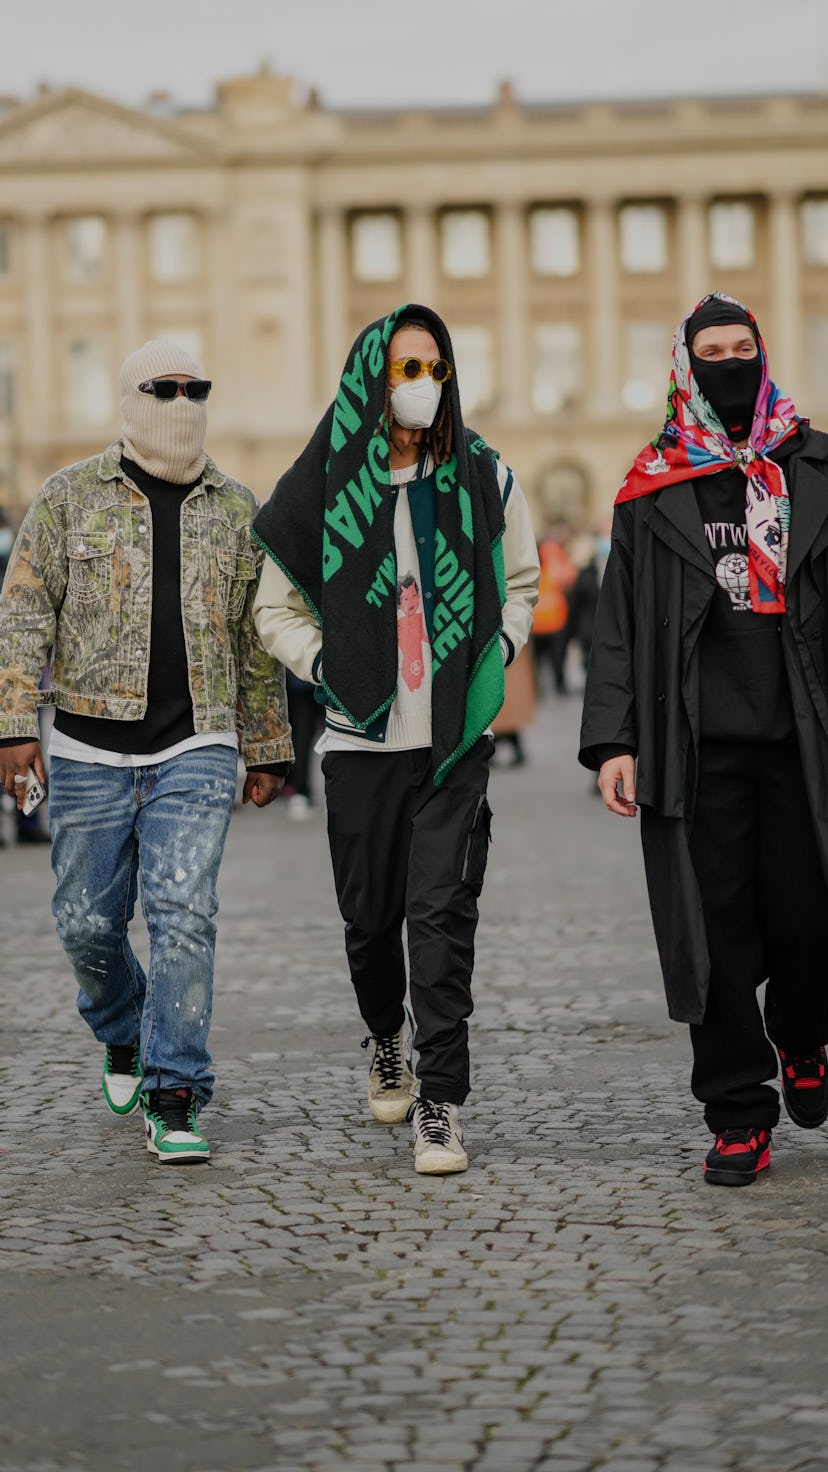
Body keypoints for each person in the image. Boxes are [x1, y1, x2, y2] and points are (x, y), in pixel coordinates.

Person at [253, 305, 539, 1174]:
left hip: (452, 740)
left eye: (434, 370)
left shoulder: (485, 474)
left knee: (441, 916)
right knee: (371, 921)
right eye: (403, 370)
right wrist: (327, 664)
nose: (420, 386)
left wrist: (498, 647)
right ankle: (384, 1034)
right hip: (361, 743)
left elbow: (520, 582)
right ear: (369, 375)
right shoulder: (322, 480)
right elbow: (274, 608)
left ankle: (441, 1101)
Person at [0, 340, 292, 1164]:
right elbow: (23, 614)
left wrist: (266, 743)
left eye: (196, 386)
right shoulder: (66, 498)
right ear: (132, 397)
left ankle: (175, 1091)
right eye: (164, 387)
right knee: (86, 922)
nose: (182, 399)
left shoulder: (237, 508)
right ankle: (124, 1029)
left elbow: (254, 638)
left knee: (183, 913)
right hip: (88, 743)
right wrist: (15, 726)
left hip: (198, 740)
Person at [580, 290, 828, 1187]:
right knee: (711, 933)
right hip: (697, 749)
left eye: (743, 348)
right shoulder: (656, 486)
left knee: (810, 921)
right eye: (712, 351)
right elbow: (617, 624)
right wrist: (614, 739)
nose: (731, 364)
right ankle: (737, 1110)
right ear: (687, 369)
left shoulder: (816, 466)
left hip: (808, 742)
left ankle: (804, 1034)